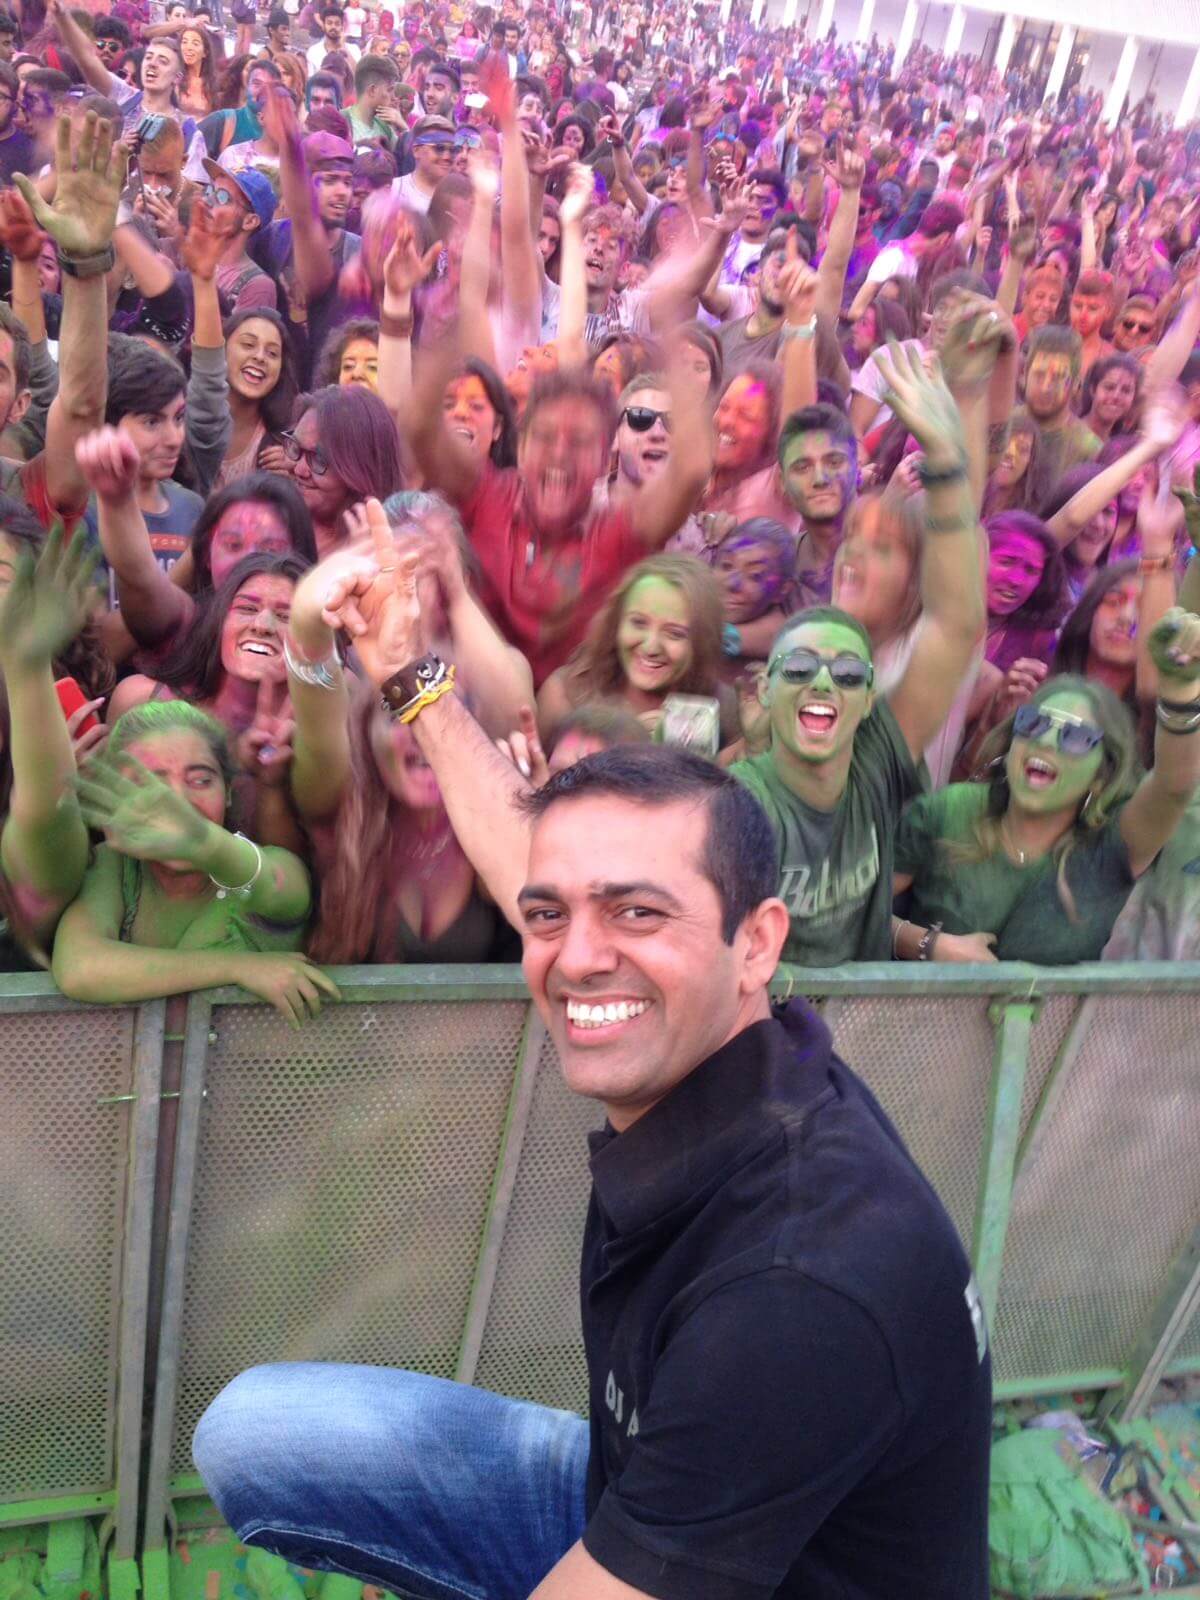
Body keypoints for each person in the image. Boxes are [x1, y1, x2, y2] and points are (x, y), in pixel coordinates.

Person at [195, 515, 992, 1600]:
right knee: (260, 1433)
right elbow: (528, 856)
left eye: (636, 912)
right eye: (548, 917)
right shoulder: (746, 1045)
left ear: (756, 942)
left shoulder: (796, 1291)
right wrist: (408, 674)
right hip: (653, 1478)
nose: (576, 958)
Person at [893, 609, 1200, 964]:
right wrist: (929, 945)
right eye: (1034, 723)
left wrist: (1180, 692)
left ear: (1102, 773)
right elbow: (856, 914)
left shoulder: (1110, 845)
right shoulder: (948, 810)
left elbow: (1173, 785)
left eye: (1076, 737)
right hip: (917, 1001)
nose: (1047, 741)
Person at [406, 358, 712, 687]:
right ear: (521, 447)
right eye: (545, 436)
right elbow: (419, 425)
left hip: (574, 710)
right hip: (460, 698)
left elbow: (691, 470)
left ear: (603, 459)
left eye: (579, 441)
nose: (559, 454)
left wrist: (672, 333)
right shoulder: (485, 497)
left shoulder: (619, 535)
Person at [53, 700, 336, 1022]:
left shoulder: (270, 867)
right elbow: (79, 968)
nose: (179, 802)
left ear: (228, 792)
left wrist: (205, 844)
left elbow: (279, 886)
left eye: (200, 780)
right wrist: (237, 967)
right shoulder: (116, 867)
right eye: (150, 783)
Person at [537, 552, 733, 740]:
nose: (651, 648)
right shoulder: (564, 695)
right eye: (638, 623)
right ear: (617, 622)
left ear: (702, 642)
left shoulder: (722, 706)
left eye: (674, 633)